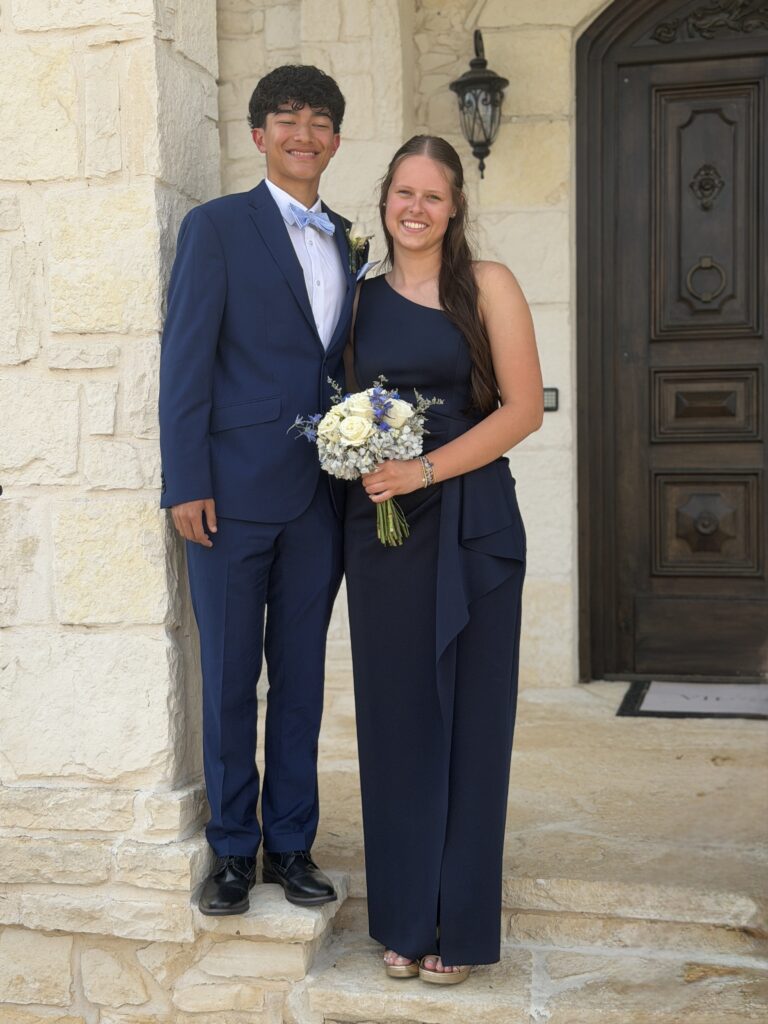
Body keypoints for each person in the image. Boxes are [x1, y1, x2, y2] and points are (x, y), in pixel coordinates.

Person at [159, 66, 367, 916]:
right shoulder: (216, 227)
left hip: (321, 497)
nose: (303, 133)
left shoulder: (350, 238)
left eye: (319, 121)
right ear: (259, 135)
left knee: (302, 680)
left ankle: (291, 844)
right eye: (287, 118)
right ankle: (232, 851)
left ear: (336, 141)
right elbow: (186, 358)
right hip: (230, 496)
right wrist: (186, 480)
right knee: (229, 678)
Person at [344, 135, 543, 983]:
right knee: (396, 721)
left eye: (432, 195)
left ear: (455, 206)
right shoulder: (356, 300)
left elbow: (523, 410)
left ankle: (456, 927)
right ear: (384, 199)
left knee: (472, 723)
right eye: (404, 193)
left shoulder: (488, 284)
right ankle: (402, 916)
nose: (415, 209)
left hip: (472, 523)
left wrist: (424, 469)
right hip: (384, 530)